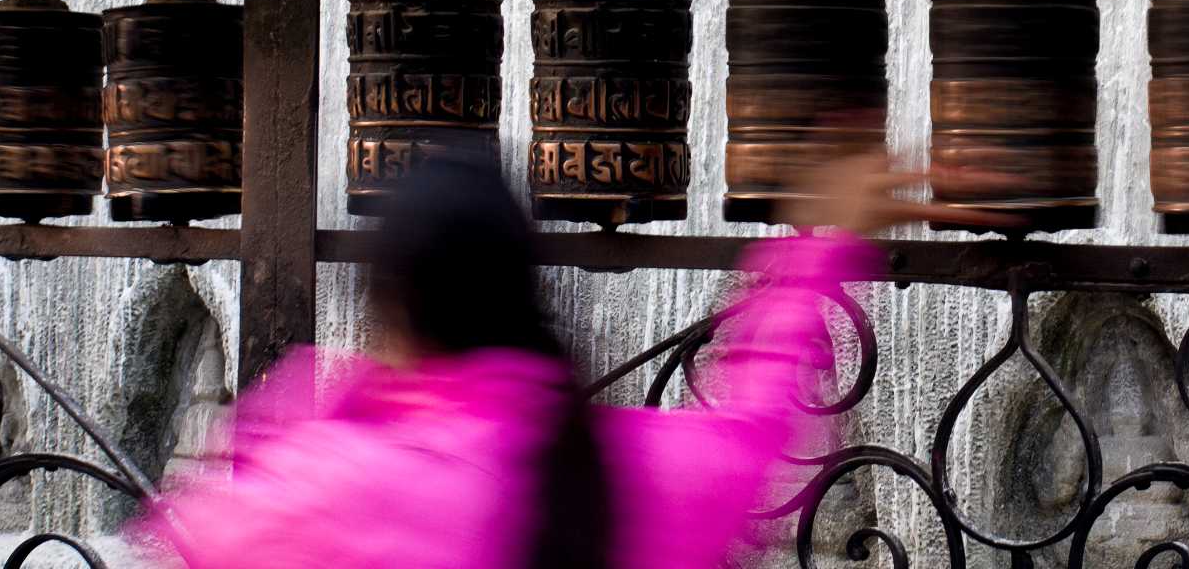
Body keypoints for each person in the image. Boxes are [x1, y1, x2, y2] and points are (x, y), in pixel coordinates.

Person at [135, 152, 1003, 569]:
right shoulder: (624, 472)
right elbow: (753, 433)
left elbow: (198, 534)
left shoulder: (324, 490)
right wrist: (821, 244)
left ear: (391, 307)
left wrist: (331, 401)